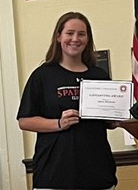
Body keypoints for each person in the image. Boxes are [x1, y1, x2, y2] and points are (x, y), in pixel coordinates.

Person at [17, 11, 117, 190]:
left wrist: (115, 118)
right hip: (54, 173)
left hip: (97, 172)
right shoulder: (43, 75)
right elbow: (24, 121)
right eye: (69, 33)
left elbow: (107, 121)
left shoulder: (98, 75)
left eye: (81, 34)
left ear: (88, 39)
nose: (75, 39)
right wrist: (58, 123)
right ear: (58, 37)